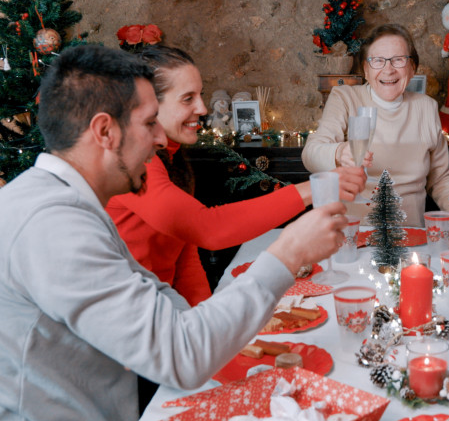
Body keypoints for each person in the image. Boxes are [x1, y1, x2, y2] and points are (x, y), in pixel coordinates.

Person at [0, 45, 347, 421]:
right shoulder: (53, 225)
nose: (161, 138)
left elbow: (172, 309)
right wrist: (287, 253)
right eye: (149, 123)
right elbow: (181, 353)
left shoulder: (70, 204)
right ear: (105, 132)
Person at [107, 45, 366, 306]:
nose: (202, 108)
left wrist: (202, 321)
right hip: (131, 316)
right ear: (149, 105)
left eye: (200, 95)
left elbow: (186, 256)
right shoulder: (134, 163)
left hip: (161, 308)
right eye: (188, 99)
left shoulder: (172, 158)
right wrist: (313, 189)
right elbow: (207, 228)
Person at [303, 23, 449, 230]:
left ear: (412, 68)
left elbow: (440, 177)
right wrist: (339, 152)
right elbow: (311, 154)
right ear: (366, 70)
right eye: (378, 61)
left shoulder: (426, 107)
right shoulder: (345, 98)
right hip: (352, 233)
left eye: (398, 60)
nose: (388, 70)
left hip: (410, 233)